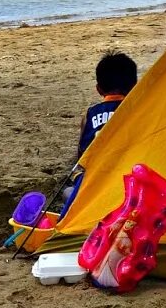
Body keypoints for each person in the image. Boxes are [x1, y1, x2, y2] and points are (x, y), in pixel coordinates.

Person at [57, 51, 138, 214]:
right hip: (128, 189)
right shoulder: (138, 110)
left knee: (67, 193)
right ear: (135, 86)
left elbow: (81, 155)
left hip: (93, 190)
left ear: (99, 89)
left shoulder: (90, 114)